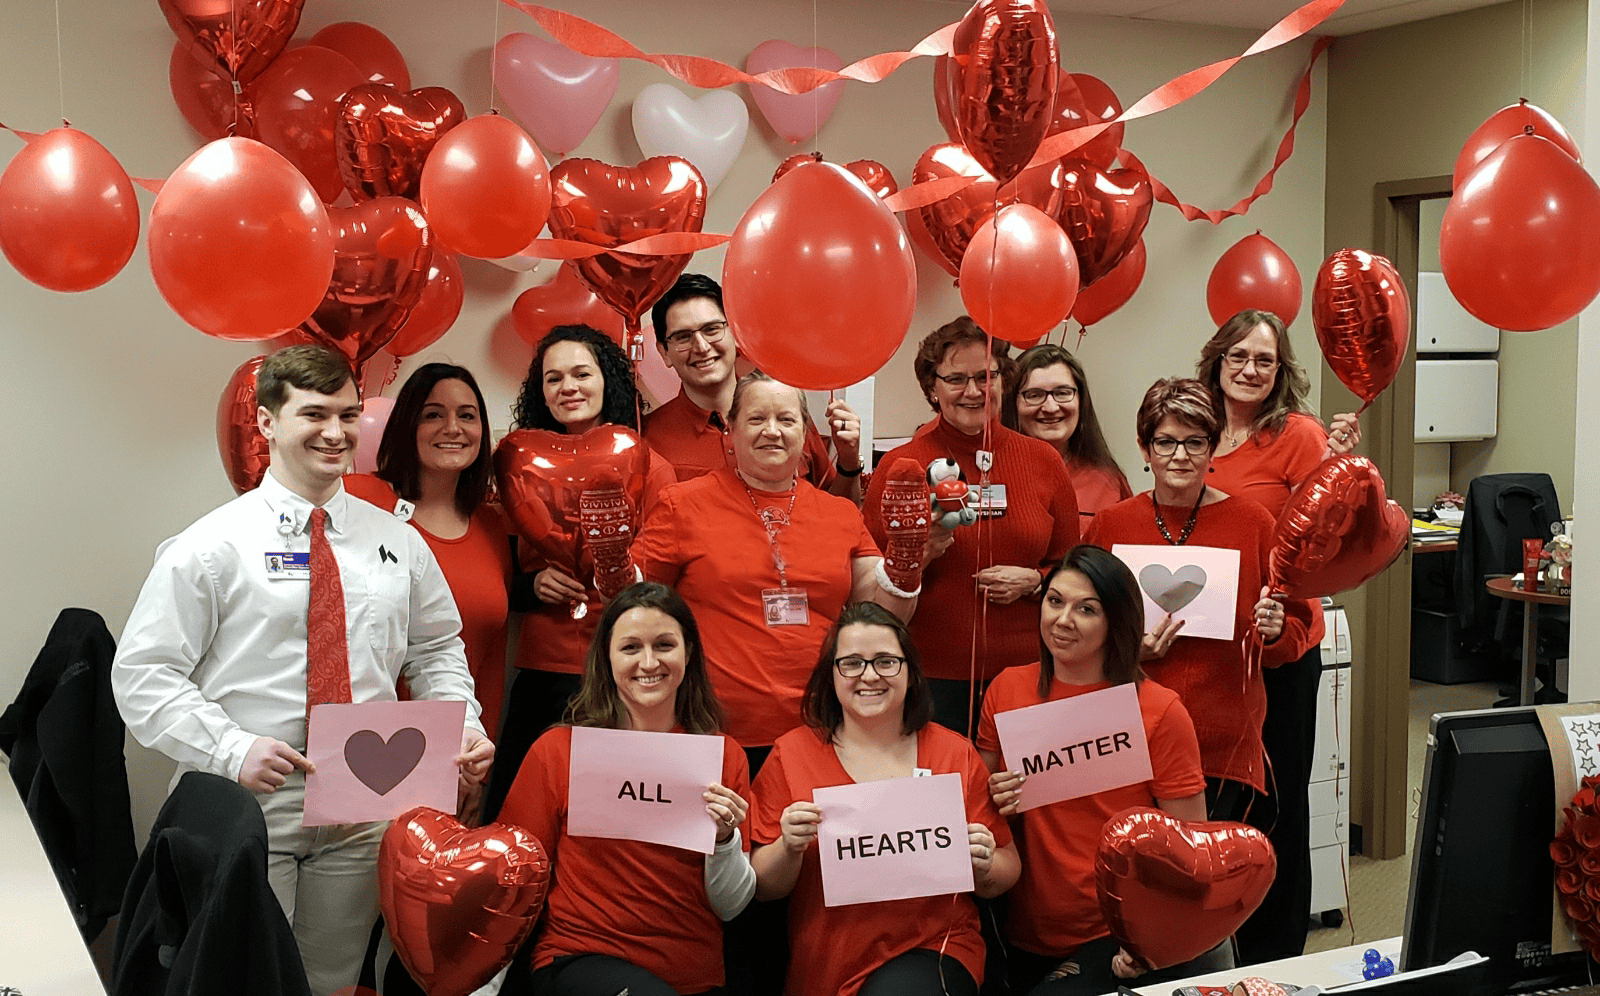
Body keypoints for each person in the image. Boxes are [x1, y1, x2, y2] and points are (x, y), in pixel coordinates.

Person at [111, 345, 492, 996]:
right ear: (266, 423)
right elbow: (144, 672)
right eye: (314, 414)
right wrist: (230, 749)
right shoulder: (209, 547)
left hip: (365, 799)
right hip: (252, 803)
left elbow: (435, 650)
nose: (336, 432)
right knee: (246, 980)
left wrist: (462, 724)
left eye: (348, 415)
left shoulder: (396, 542)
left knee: (333, 980)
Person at [634, 370, 917, 769]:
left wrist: (905, 561)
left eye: (786, 420)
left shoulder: (839, 512)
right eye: (756, 419)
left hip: (826, 727)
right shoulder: (682, 503)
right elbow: (633, 605)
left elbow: (884, 612)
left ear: (805, 434)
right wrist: (616, 571)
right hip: (714, 731)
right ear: (729, 431)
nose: (772, 431)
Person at [1194, 309, 1359, 963]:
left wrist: (1340, 470)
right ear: (1216, 360)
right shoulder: (1196, 430)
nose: (1249, 370)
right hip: (1206, 650)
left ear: (1280, 369)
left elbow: (1327, 536)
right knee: (1214, 803)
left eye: (1264, 359)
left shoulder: (1297, 435)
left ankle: (1274, 956)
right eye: (1238, 356)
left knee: (1275, 804)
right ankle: (1212, 946)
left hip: (1281, 648)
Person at [750, 602, 1019, 996]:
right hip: (827, 966)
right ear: (832, 676)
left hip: (936, 952)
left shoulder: (953, 754)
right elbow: (762, 885)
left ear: (910, 673)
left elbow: (1006, 870)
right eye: (852, 663)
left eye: (886, 662)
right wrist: (788, 847)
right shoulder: (790, 755)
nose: (869, 675)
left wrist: (983, 863)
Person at [977, 546, 1214, 995]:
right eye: (1054, 601)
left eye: (1086, 609)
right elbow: (979, 807)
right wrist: (994, 796)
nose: (1063, 620)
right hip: (1026, 926)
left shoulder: (1159, 711)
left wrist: (1149, 942)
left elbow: (1189, 851)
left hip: (1118, 932)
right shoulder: (1008, 689)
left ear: (1116, 621)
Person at [499, 582, 754, 996]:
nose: (648, 662)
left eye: (664, 645)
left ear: (688, 653)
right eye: (631, 647)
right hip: (579, 958)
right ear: (607, 658)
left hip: (694, 975)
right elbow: (514, 878)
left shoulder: (723, 758)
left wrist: (725, 840)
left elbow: (731, 905)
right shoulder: (559, 751)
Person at [1084, 378, 1310, 818]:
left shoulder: (1254, 524)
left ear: (1213, 447)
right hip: (1131, 736)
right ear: (1144, 448)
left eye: (1194, 442)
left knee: (1213, 877)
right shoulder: (1111, 527)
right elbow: (1079, 624)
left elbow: (1297, 626)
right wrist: (1130, 651)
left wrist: (1277, 631)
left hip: (1225, 740)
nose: (1180, 456)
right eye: (1165, 442)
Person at [487, 324, 677, 820]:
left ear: (606, 380)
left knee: (607, 814)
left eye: (580, 373)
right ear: (540, 392)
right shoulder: (515, 462)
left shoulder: (647, 462)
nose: (567, 387)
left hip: (624, 667)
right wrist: (530, 587)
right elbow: (495, 569)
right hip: (545, 667)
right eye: (553, 378)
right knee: (527, 808)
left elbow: (663, 570)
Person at [865, 317, 1080, 736]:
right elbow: (866, 578)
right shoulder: (902, 465)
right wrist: (917, 553)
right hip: (928, 676)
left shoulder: (1044, 461)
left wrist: (1035, 581)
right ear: (932, 388)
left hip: (1027, 675)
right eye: (956, 379)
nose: (974, 391)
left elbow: (1073, 570)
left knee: (1018, 796)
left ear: (1003, 378)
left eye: (986, 376)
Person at [344, 363, 511, 791]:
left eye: (468, 415)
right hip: (352, 750)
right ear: (407, 425)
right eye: (433, 414)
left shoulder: (493, 526)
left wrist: (476, 763)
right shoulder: (360, 499)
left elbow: (486, 664)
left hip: (450, 757)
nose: (452, 428)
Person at [643, 273, 865, 502]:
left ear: (735, 332)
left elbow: (836, 515)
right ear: (664, 352)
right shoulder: (648, 440)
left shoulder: (788, 413)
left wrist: (848, 462)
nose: (701, 346)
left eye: (712, 329)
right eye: (683, 337)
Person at [1001, 344, 1131, 523]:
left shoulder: (1108, 481)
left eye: (1062, 393)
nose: (1051, 407)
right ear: (1012, 404)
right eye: (1034, 395)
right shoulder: (991, 477)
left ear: (1081, 400)